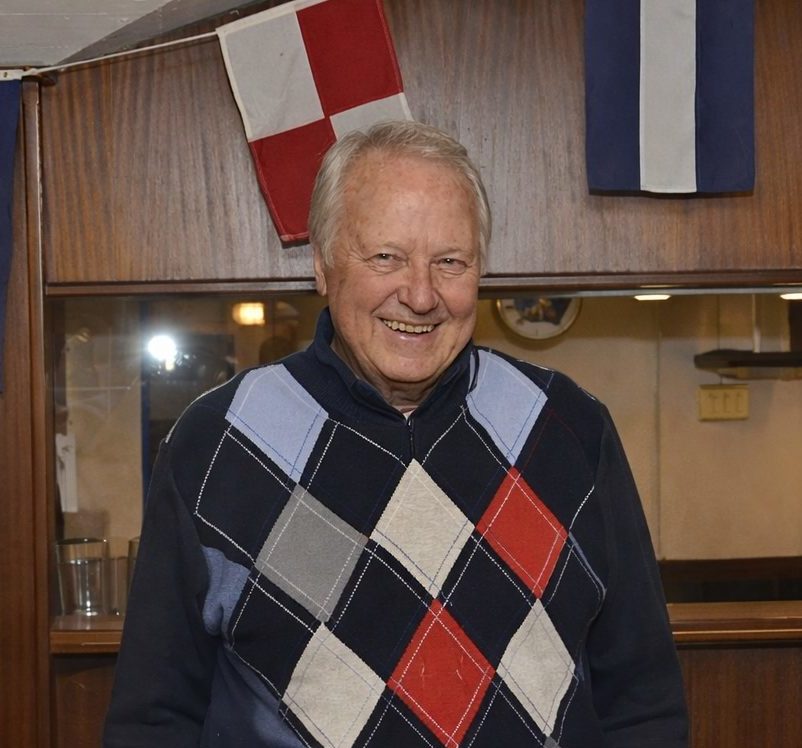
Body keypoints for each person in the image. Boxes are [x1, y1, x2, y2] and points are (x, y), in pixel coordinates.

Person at [104, 121, 688, 747]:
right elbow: (154, 720)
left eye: (450, 262)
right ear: (322, 265)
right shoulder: (219, 442)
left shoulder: (566, 429)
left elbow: (643, 705)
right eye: (386, 257)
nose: (420, 294)